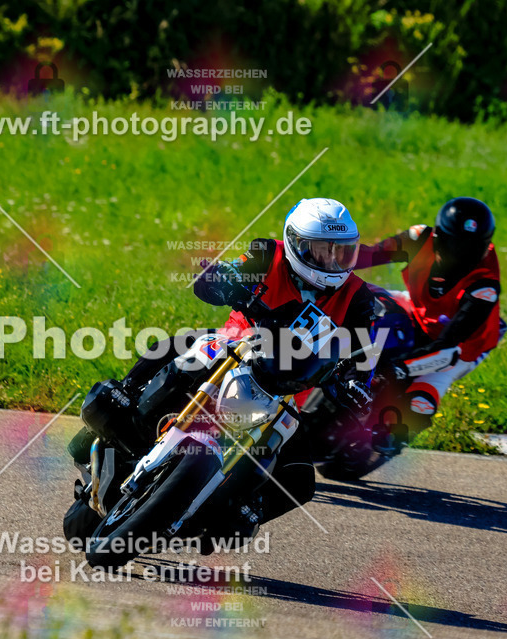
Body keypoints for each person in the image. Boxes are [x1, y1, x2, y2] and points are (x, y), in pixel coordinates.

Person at [118, 198, 380, 531]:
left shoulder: (358, 295)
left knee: (300, 482)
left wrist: (358, 384)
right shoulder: (266, 253)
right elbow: (230, 272)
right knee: (174, 346)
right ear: (296, 243)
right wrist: (220, 278)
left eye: (341, 252)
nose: (332, 260)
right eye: (322, 250)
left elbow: (364, 350)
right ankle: (125, 396)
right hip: (236, 346)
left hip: (285, 393)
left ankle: (233, 516)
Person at [355, 196, 505, 447]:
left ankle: (399, 433)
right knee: (357, 301)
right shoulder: (418, 239)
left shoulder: (485, 285)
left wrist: (398, 369)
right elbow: (369, 256)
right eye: (457, 248)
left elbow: (448, 345)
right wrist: (328, 259)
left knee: (424, 395)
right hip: (417, 308)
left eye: (473, 249)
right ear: (438, 238)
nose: (463, 258)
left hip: (464, 345)